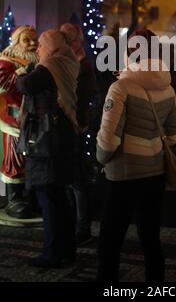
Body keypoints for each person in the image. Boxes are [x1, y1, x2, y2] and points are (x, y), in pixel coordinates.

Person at [96, 29, 176, 283]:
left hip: (123, 174)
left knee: (110, 241)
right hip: (154, 172)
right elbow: (175, 134)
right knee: (150, 239)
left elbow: (108, 137)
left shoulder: (120, 86)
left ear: (129, 53)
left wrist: (101, 158)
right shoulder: (167, 86)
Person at [16, 29, 79, 268]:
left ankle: (51, 254)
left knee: (49, 199)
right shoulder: (67, 61)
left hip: (46, 143)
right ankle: (67, 250)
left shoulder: (48, 66)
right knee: (60, 199)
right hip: (61, 139)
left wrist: (22, 70)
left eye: (41, 44)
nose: (38, 49)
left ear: (50, 46)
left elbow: (25, 85)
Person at [60, 23, 97, 245]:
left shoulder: (81, 64)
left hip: (77, 127)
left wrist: (81, 123)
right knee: (73, 180)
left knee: (77, 180)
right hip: (74, 126)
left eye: (65, 39)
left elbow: (82, 97)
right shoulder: (74, 62)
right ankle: (76, 225)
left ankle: (82, 228)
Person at [0, 25, 38, 218]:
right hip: (13, 118)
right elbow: (4, 84)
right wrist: (22, 73)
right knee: (14, 157)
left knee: (32, 156)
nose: (32, 43)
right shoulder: (6, 61)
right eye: (27, 40)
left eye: (34, 39)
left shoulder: (39, 60)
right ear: (16, 42)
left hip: (34, 118)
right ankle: (14, 199)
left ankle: (30, 196)